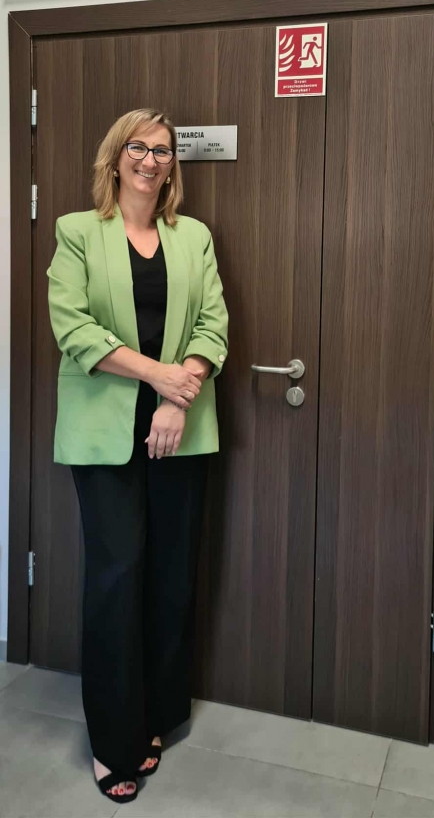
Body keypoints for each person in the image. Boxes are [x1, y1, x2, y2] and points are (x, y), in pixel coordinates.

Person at [47, 108, 228, 804]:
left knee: (171, 576)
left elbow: (214, 323)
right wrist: (159, 378)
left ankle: (156, 716)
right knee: (116, 579)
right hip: (103, 435)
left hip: (181, 429)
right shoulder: (77, 232)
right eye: (139, 147)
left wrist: (179, 398)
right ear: (115, 157)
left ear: (173, 165)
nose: (151, 159)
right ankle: (113, 741)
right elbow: (74, 329)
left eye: (163, 150)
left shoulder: (193, 237)